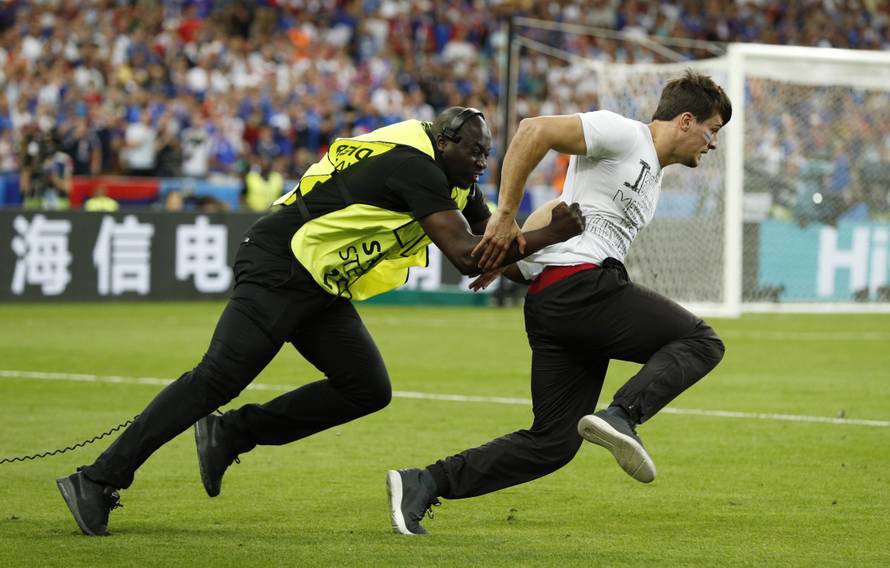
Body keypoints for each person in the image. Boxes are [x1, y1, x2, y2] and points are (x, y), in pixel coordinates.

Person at [55, 106, 584, 536]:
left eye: (488, 154)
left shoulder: (454, 183)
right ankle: (97, 479)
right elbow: (470, 256)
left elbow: (497, 254)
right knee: (216, 377)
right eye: (474, 151)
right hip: (281, 263)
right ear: (443, 142)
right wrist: (548, 234)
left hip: (318, 281)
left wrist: (564, 269)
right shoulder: (415, 166)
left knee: (366, 388)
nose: (482, 163)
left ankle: (231, 432)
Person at [387, 70, 732, 535]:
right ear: (686, 121)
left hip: (554, 299)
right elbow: (534, 130)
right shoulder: (627, 134)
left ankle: (423, 482)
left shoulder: (649, 177)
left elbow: (559, 213)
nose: (713, 143)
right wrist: (504, 217)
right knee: (702, 342)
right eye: (713, 130)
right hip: (580, 290)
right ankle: (623, 416)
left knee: (553, 444)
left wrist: (512, 257)